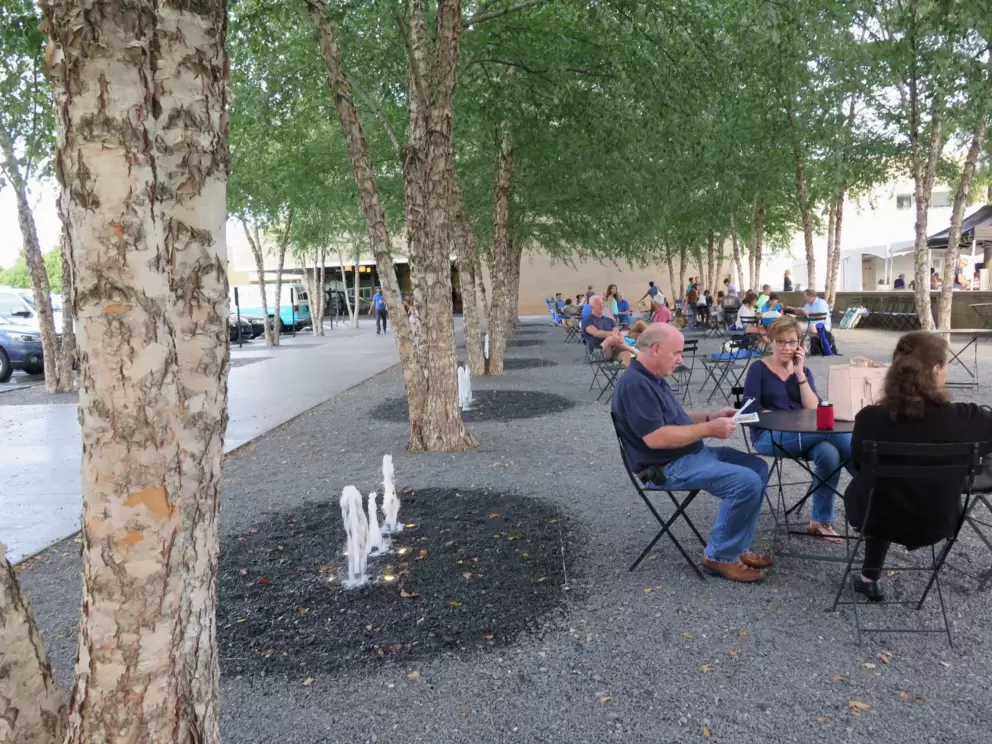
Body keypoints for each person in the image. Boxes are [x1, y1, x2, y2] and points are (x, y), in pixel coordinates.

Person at [612, 323, 771, 582]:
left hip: (687, 455)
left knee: (757, 468)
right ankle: (720, 557)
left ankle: (737, 547)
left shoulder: (652, 377)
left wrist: (711, 416)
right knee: (746, 481)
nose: (680, 360)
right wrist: (709, 429)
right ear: (656, 349)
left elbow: (675, 418)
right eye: (676, 353)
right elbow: (655, 437)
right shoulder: (635, 385)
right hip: (664, 467)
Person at [844, 332, 992, 601]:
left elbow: (856, 465)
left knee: (878, 487)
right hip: (938, 521)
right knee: (892, 487)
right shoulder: (969, 419)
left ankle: (869, 577)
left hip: (874, 517)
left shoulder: (869, 419)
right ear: (935, 370)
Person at [743, 317, 852, 542]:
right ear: (770, 342)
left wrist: (800, 374)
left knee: (829, 453)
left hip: (807, 435)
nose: (787, 347)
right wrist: (784, 418)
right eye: (781, 342)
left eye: (792, 342)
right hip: (768, 436)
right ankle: (869, 479)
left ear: (799, 344)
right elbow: (751, 409)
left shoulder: (805, 372)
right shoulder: (758, 369)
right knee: (834, 431)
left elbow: (813, 409)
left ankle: (820, 521)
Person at [581, 295, 635, 366]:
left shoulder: (610, 320)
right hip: (597, 352)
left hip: (612, 351)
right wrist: (613, 334)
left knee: (626, 354)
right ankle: (635, 351)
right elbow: (596, 333)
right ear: (592, 307)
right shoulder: (587, 320)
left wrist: (621, 336)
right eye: (598, 304)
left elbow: (616, 332)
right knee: (610, 338)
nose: (602, 306)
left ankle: (631, 368)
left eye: (602, 304)